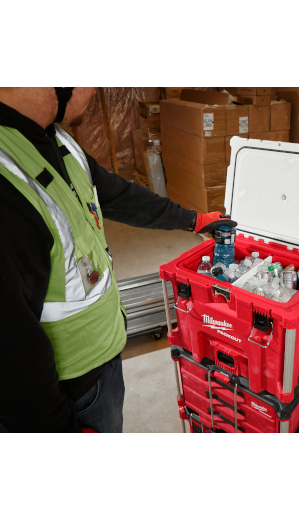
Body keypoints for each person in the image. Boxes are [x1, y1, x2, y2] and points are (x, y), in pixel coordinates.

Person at [0, 87, 237, 433]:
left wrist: (193, 220)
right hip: (71, 389)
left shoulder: (56, 139)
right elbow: (10, 351)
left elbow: (118, 196)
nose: (94, 89)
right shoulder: (8, 180)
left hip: (104, 354)